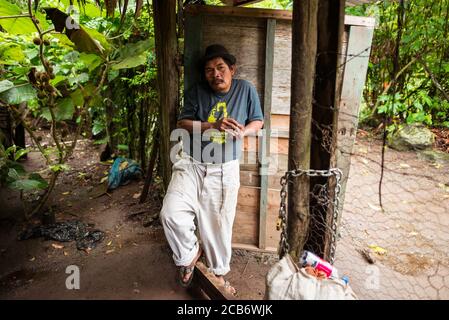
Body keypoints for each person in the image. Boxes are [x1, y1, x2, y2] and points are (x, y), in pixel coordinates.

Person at [160, 44, 264, 295]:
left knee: (218, 227)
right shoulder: (197, 92)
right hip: (192, 164)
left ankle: (217, 275)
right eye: (208, 70)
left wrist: (243, 132)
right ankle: (189, 256)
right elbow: (182, 123)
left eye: (220, 67)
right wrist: (212, 125)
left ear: (231, 69)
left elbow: (258, 121)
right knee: (170, 213)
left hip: (224, 169)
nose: (215, 74)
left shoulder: (245, 89)